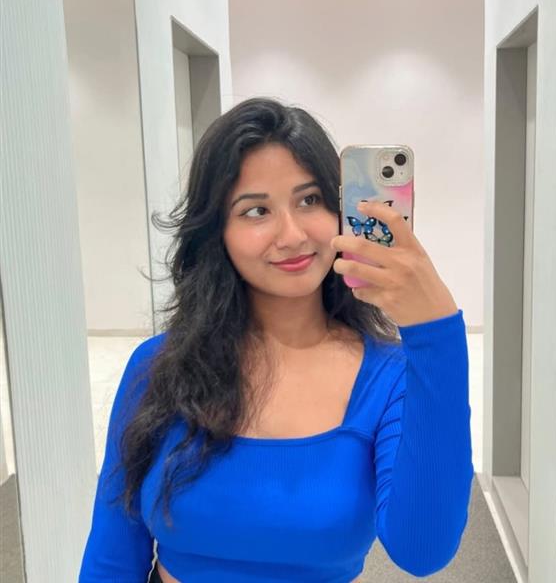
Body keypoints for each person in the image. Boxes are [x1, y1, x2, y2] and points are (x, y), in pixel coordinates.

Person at [79, 97, 474, 583]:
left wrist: (435, 332)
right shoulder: (158, 366)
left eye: (309, 200)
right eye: (256, 210)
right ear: (218, 231)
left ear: (339, 209)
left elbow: (423, 549)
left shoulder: (388, 378)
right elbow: (112, 555)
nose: (291, 235)